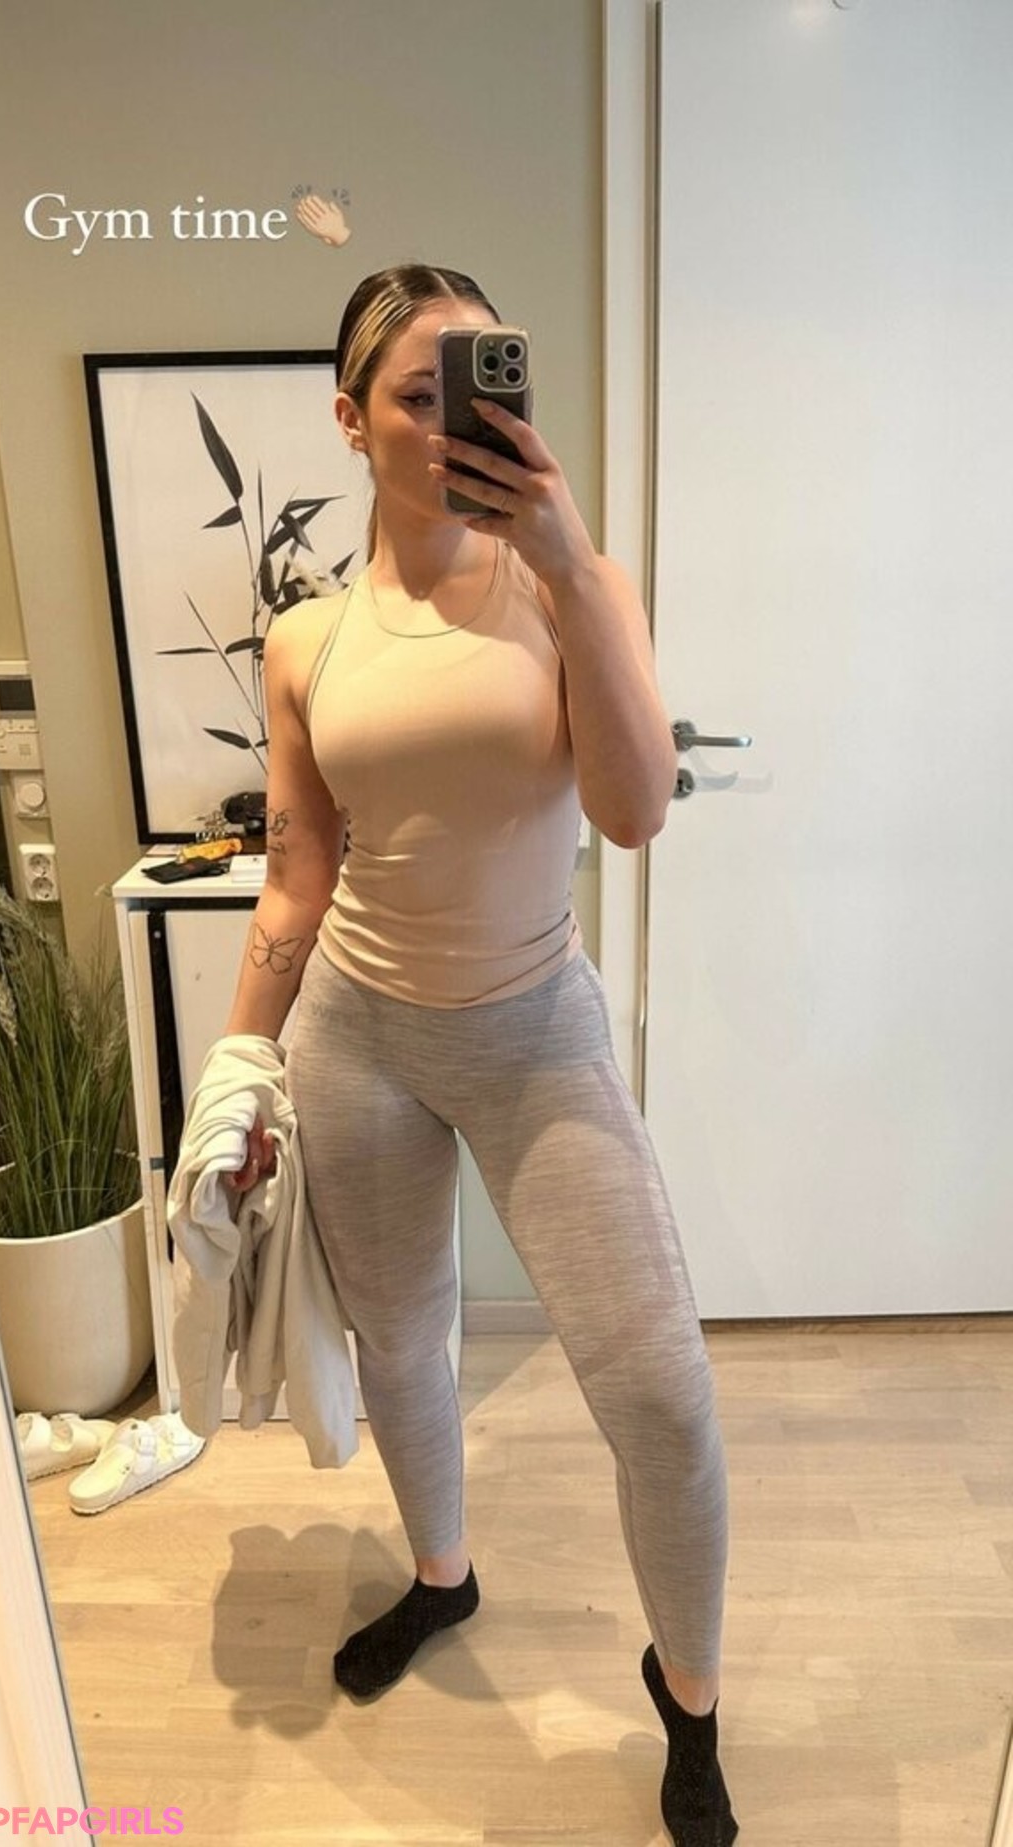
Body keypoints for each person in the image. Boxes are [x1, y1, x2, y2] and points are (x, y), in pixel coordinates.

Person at [221, 263, 739, 1847]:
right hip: (358, 1032)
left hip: (534, 1032)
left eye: (479, 379)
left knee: (659, 1394)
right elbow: (299, 874)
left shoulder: (578, 585)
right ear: (350, 420)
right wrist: (237, 1071)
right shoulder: (306, 640)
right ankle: (442, 1578)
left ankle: (691, 1701)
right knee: (403, 1347)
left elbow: (633, 814)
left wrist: (567, 560)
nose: (453, 420)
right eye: (415, 392)